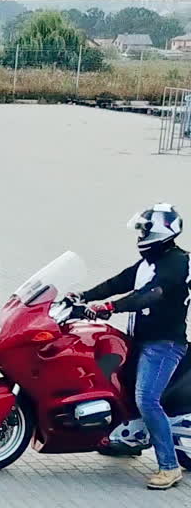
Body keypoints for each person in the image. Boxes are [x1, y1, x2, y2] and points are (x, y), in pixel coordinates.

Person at [78, 203, 191, 489]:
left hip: (164, 345)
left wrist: (110, 306)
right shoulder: (148, 262)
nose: (139, 235)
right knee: (113, 382)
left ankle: (169, 467)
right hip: (138, 340)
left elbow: (149, 295)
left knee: (147, 399)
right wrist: (82, 296)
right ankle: (127, 442)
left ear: (160, 233)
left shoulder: (177, 264)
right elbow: (119, 281)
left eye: (144, 230)